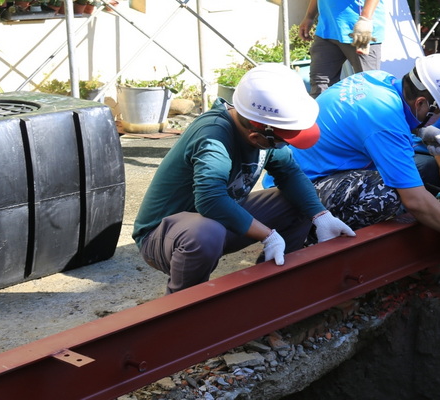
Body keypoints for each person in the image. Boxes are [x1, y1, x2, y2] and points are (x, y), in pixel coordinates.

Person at [132, 63, 355, 294]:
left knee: (298, 201)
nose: (285, 146)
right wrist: (268, 235)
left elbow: (290, 173)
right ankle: (183, 304)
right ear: (256, 136)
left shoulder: (264, 129)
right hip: (166, 236)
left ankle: (270, 289)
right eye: (283, 142)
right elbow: (210, 200)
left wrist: (321, 215)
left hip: (215, 224)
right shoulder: (213, 138)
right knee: (206, 233)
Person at [291, 53, 440, 252]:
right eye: (438, 113)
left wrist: (418, 130)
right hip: (301, 192)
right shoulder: (385, 121)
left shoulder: (378, 79)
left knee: (407, 175)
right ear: (421, 103)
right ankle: (311, 240)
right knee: (384, 192)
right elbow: (415, 201)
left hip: (301, 173)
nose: (437, 119)